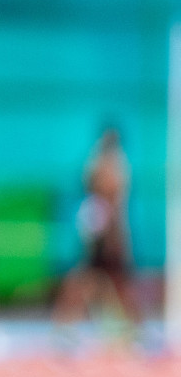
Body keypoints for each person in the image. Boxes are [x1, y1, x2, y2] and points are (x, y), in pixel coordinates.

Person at [55, 127, 141, 332]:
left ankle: (135, 329)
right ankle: (65, 326)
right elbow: (107, 203)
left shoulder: (113, 166)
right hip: (103, 236)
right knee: (92, 281)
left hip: (107, 235)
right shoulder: (105, 167)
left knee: (113, 283)